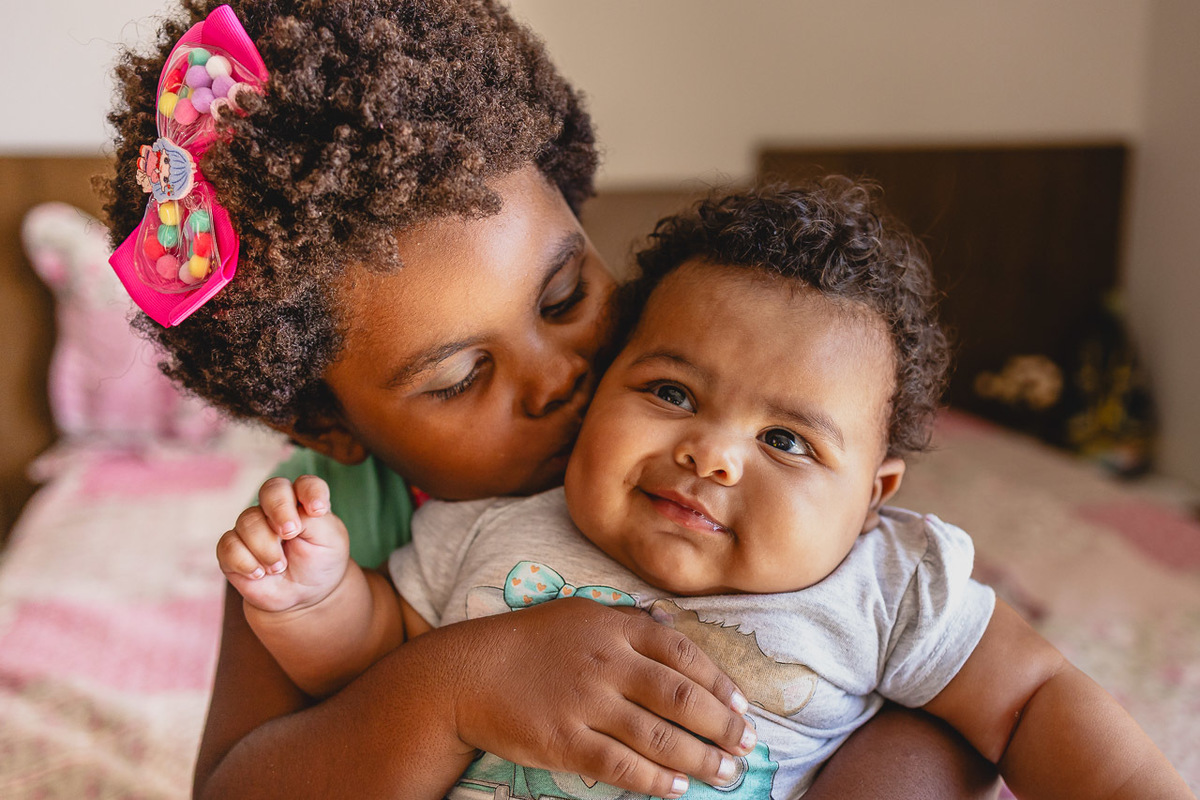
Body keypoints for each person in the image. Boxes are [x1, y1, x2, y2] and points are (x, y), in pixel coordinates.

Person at [105, 2, 1001, 798]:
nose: (560, 375)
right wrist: (458, 692)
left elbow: (953, 710)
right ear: (328, 423)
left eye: (566, 295)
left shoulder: (744, 470)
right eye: (460, 379)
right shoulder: (313, 539)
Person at [220, 180, 1195, 800]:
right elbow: (374, 646)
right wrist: (313, 597)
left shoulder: (888, 580)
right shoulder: (495, 528)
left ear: (874, 495)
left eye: (785, 437)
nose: (714, 454)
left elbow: (1033, 699)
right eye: (672, 393)